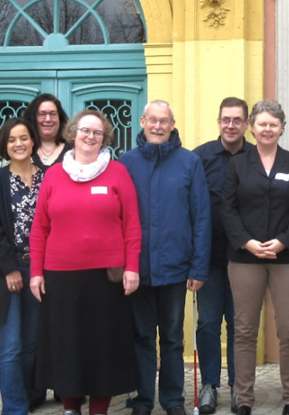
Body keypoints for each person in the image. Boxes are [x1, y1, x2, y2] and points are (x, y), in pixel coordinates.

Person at [29, 109, 142, 415]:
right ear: (73, 134)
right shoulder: (54, 175)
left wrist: (132, 266)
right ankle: (70, 407)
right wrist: (35, 273)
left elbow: (131, 224)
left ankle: (99, 410)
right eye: (85, 130)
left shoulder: (117, 173)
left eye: (97, 133)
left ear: (105, 139)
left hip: (106, 277)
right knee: (67, 346)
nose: (90, 137)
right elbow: (40, 227)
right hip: (60, 276)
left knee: (101, 348)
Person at [121, 100, 211, 415]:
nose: (158, 126)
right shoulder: (125, 163)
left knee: (172, 339)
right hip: (138, 270)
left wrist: (198, 266)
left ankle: (173, 400)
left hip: (175, 268)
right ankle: (143, 400)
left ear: (172, 125)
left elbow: (201, 217)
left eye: (164, 121)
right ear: (143, 122)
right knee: (142, 337)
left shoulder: (190, 162)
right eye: (153, 120)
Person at [223, 100, 289, 415]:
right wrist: (247, 242)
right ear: (252, 126)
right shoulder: (238, 164)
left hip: (287, 258)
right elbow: (228, 209)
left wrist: (282, 242)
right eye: (261, 124)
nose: (267, 129)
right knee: (245, 330)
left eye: (273, 124)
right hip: (245, 258)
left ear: (282, 128)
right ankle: (244, 399)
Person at [193, 97, 254, 414]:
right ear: (218, 122)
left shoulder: (258, 157)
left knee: (240, 325)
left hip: (247, 257)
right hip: (209, 258)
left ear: (246, 124)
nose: (231, 125)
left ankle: (237, 387)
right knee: (208, 323)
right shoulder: (199, 157)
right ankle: (209, 385)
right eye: (226, 119)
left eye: (237, 120)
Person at [0, 118, 45, 415]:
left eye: (23, 138)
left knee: (32, 342)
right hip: (7, 271)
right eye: (11, 140)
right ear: (4, 146)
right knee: (11, 345)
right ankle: (14, 409)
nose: (18, 144)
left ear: (33, 141)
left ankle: (30, 396)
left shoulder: (49, 177)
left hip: (41, 271)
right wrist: (9, 269)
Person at [23, 93, 70, 170]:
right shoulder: (22, 147)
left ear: (60, 118)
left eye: (53, 114)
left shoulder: (73, 149)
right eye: (42, 114)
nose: (48, 119)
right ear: (33, 118)